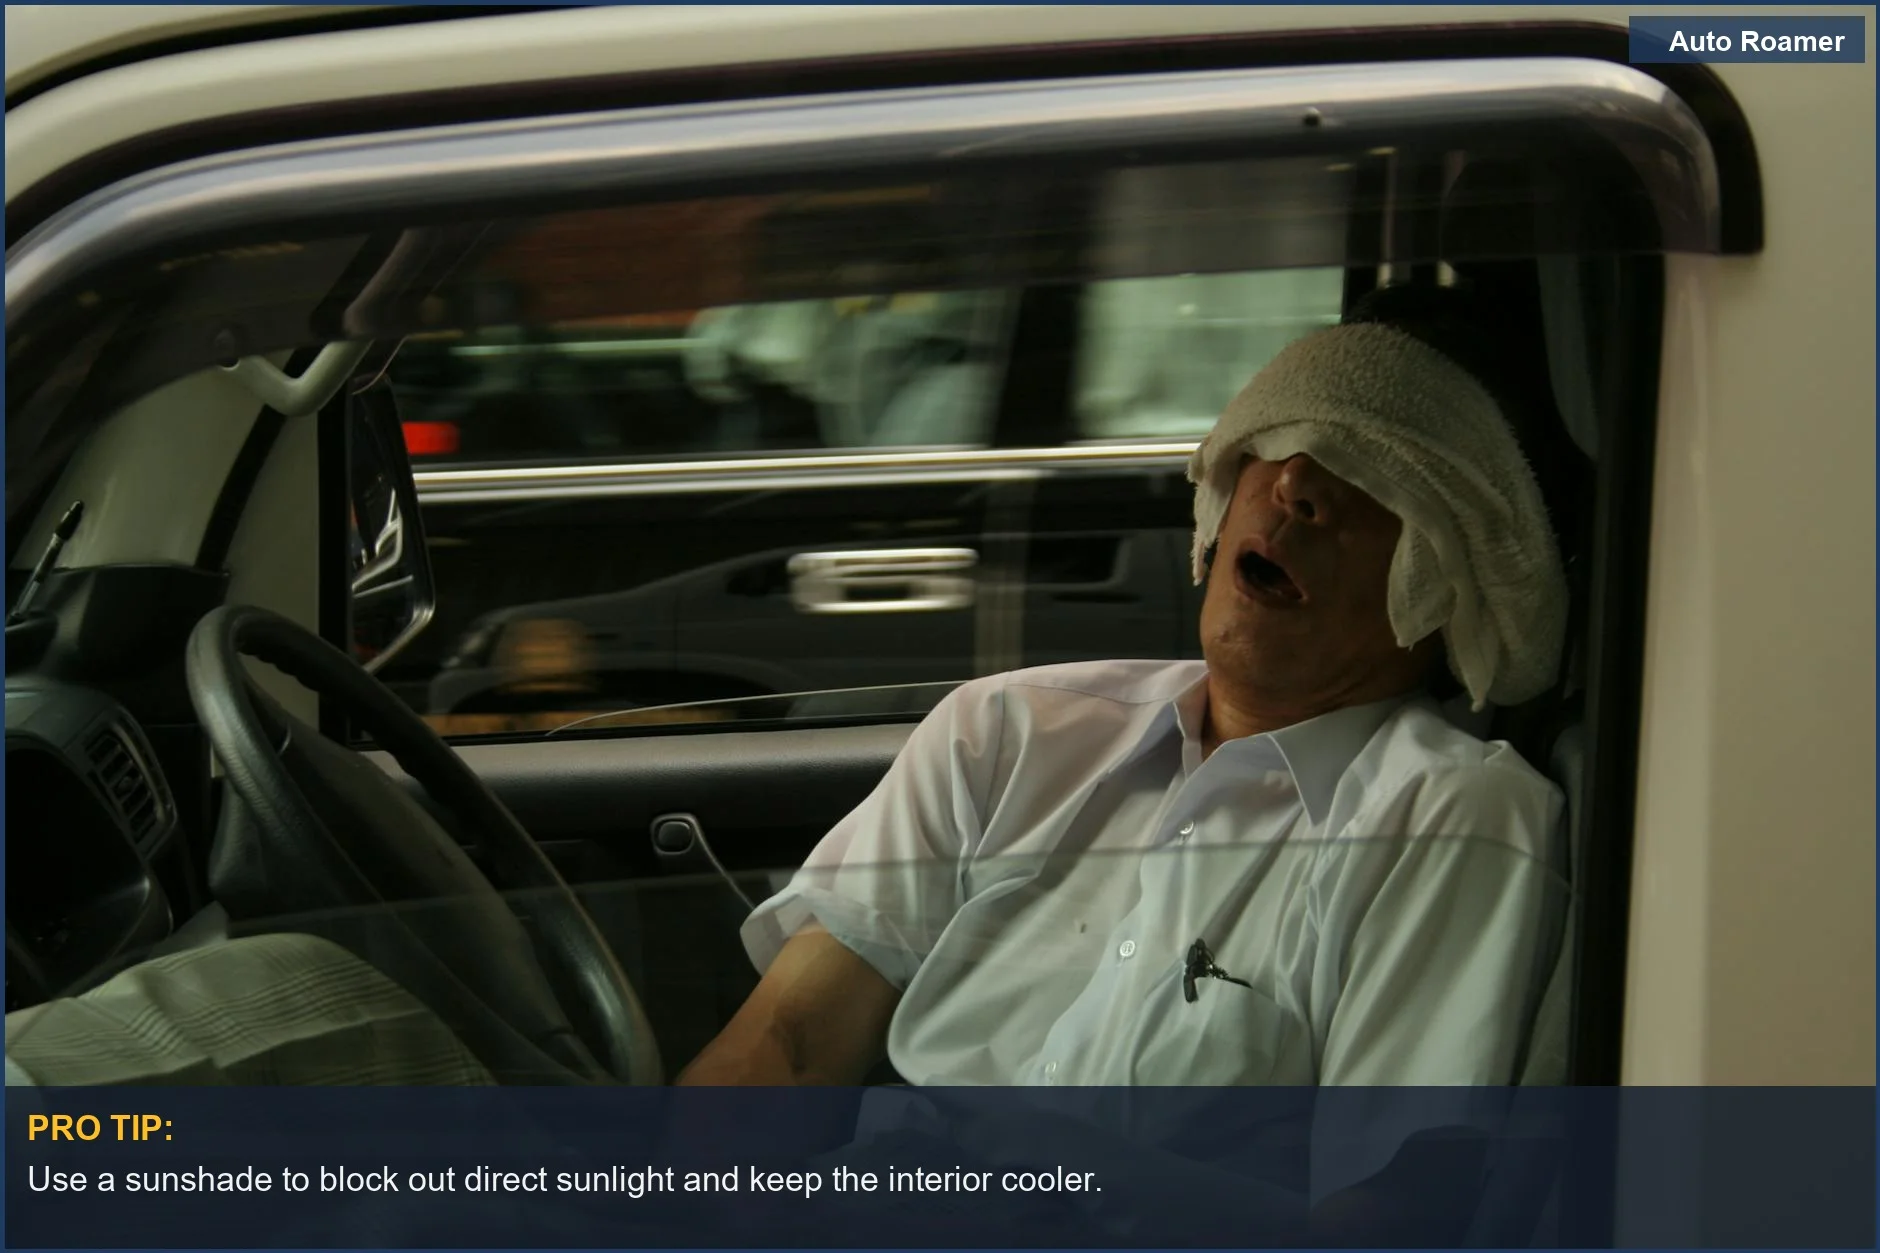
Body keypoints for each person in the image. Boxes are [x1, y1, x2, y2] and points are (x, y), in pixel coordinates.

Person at [679, 284, 1573, 1093]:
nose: (1296, 484)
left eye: (1373, 474)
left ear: (1463, 569)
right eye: (1284, 438)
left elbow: (1384, 1221)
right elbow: (787, 1040)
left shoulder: (1448, 818)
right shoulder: (1003, 733)